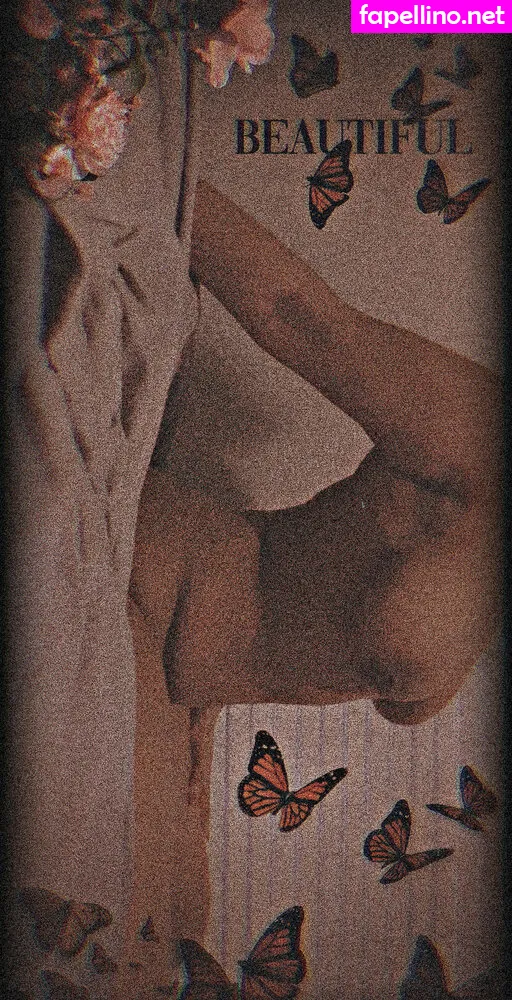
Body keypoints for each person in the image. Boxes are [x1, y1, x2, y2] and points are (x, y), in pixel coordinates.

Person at [3, 1, 502, 996]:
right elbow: (298, 316)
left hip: (192, 700)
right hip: (152, 592)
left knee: (174, 953)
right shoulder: (481, 439)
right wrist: (109, 153)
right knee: (98, 953)